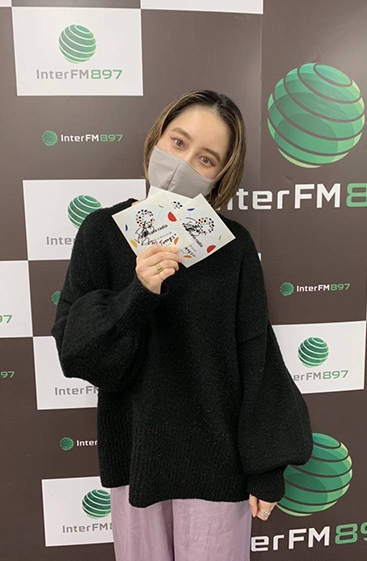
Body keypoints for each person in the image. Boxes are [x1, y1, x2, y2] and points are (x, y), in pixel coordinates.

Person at [50, 89, 313, 560]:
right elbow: (78, 353)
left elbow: (256, 354)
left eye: (206, 159)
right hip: (136, 461)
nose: (184, 163)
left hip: (217, 466)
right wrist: (138, 294)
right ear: (157, 138)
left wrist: (267, 467)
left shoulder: (232, 246)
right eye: (178, 142)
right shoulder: (101, 232)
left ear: (220, 175)